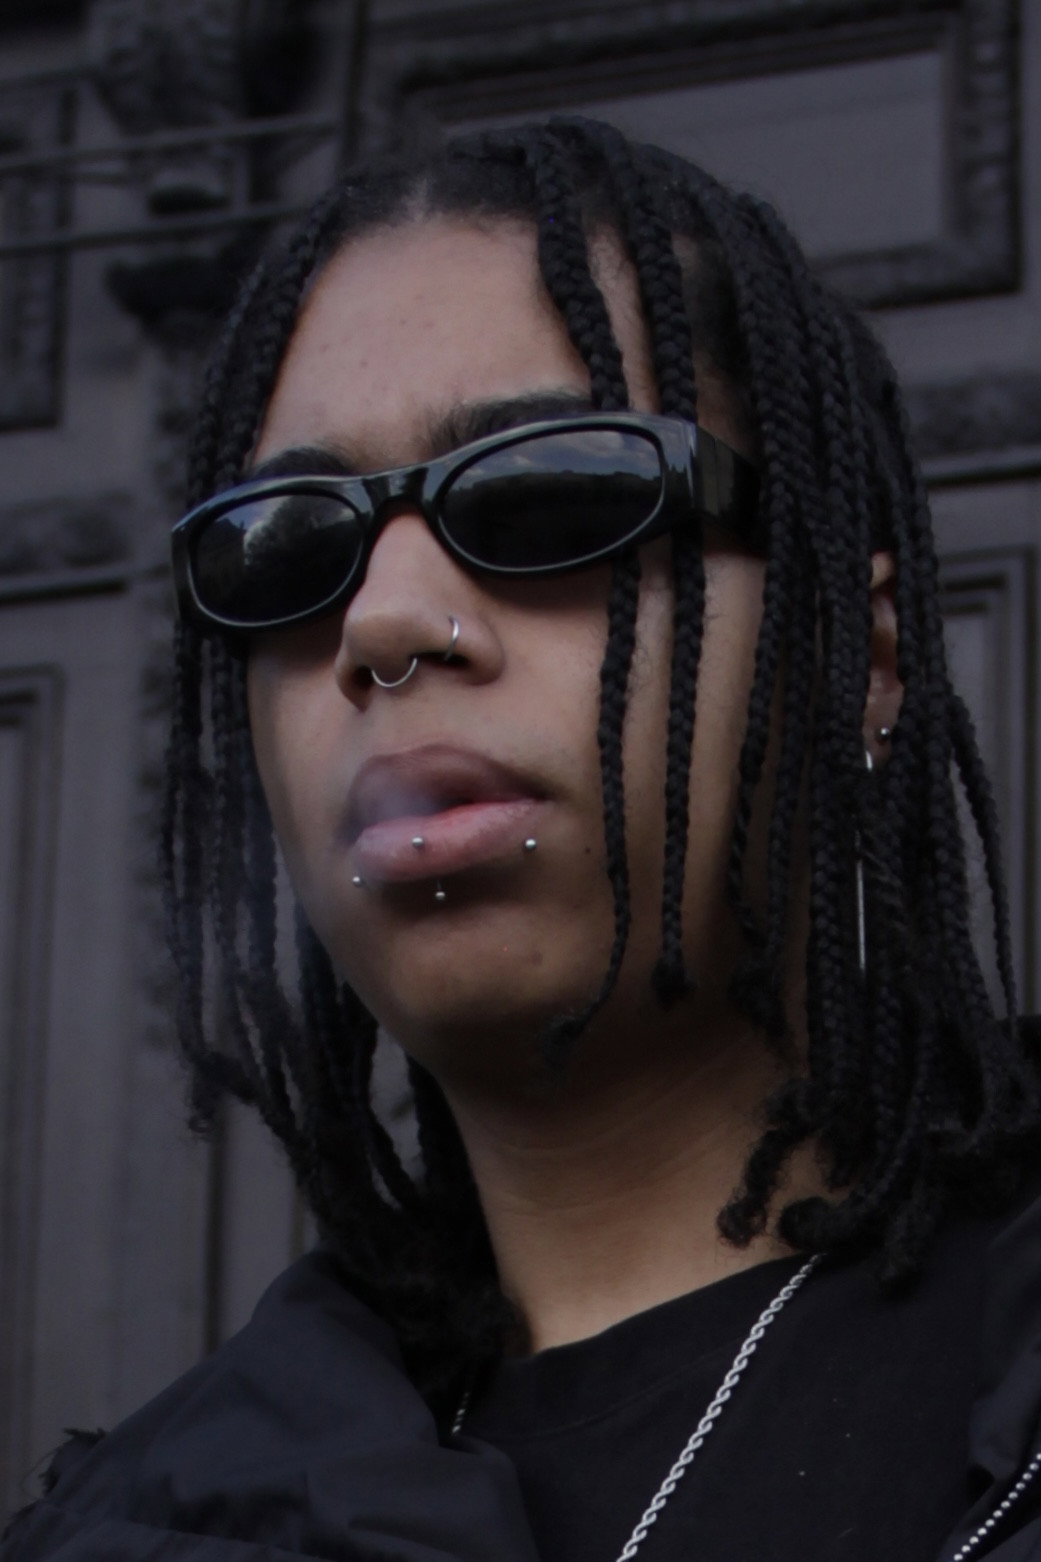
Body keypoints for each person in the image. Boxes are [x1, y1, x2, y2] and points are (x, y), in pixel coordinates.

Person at [5, 116, 1041, 1562]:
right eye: (289, 546)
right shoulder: (142, 1527)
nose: (381, 622)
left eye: (554, 490)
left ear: (858, 655)